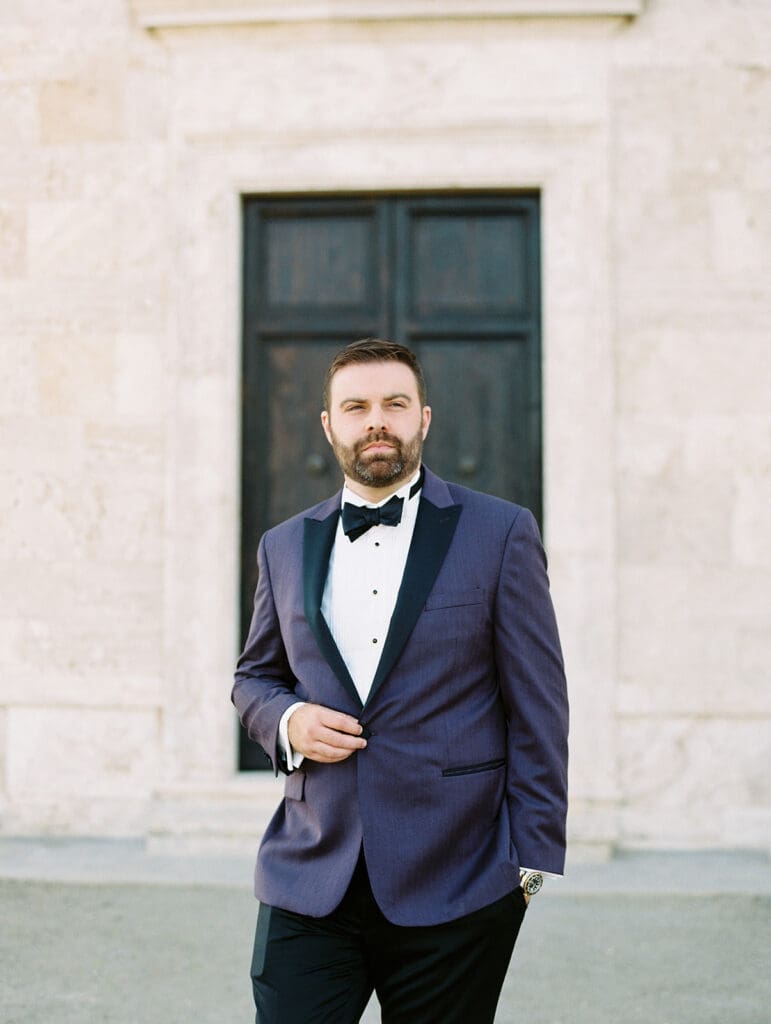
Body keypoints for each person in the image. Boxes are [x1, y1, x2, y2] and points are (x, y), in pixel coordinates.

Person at [233, 338, 568, 1024]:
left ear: (424, 418)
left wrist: (528, 869)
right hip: (311, 868)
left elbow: (539, 706)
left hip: (457, 878)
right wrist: (288, 720)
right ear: (329, 425)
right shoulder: (283, 545)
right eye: (355, 407)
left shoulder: (500, 532)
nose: (376, 421)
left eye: (395, 404)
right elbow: (256, 677)